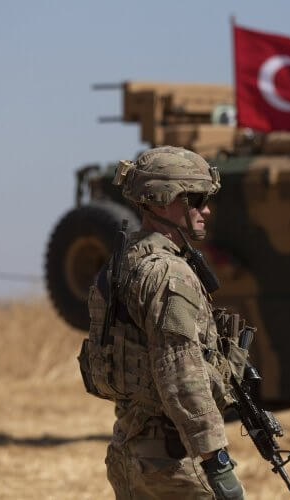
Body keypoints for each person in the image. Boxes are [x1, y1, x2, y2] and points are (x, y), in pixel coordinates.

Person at [81, 146, 246, 499]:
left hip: (128, 453)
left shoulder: (122, 264)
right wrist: (217, 464)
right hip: (172, 463)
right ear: (160, 201)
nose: (206, 210)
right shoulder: (170, 274)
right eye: (196, 199)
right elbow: (181, 373)